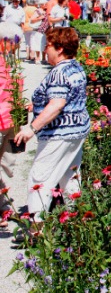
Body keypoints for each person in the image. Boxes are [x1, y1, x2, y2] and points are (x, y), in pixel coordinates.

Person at [14, 27, 90, 229]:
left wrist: (31, 128)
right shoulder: (76, 68)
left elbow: (57, 104)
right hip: (77, 131)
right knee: (69, 176)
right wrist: (36, 106)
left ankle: (37, 227)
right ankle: (77, 222)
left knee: (40, 178)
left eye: (47, 45)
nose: (45, 49)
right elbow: (68, 98)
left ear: (60, 48)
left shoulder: (58, 72)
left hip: (59, 134)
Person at [0, 25, 21, 225]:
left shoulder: (8, 62)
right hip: (7, 120)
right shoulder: (9, 62)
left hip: (5, 120)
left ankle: (3, 209)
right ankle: (3, 208)